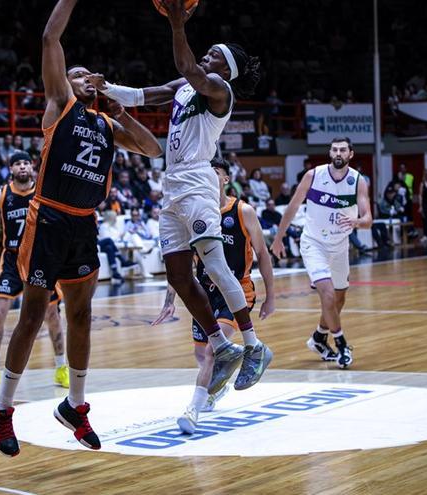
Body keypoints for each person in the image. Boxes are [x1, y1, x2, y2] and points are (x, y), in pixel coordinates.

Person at [0, 0, 162, 458]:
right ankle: (3, 408)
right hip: (46, 218)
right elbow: (50, 38)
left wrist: (119, 106)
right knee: (33, 314)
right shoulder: (59, 105)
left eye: (91, 77)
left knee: (81, 316)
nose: (87, 79)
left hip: (83, 223)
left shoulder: (107, 124)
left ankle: (75, 404)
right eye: (80, 74)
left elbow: (153, 149)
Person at [89, 0, 271, 394]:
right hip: (171, 185)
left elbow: (188, 67)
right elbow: (148, 94)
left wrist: (176, 26)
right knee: (178, 275)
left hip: (198, 183)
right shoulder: (187, 88)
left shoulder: (219, 91)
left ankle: (254, 346)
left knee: (217, 269)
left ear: (226, 70)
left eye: (215, 55)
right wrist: (105, 88)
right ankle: (222, 346)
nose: (207, 55)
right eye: (208, 51)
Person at [153, 158, 276, 434]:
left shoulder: (243, 211)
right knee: (201, 354)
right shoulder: (193, 214)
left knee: (211, 351)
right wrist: (170, 300)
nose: (208, 177)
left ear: (225, 180)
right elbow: (181, 266)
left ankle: (192, 410)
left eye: (215, 173)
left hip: (237, 289)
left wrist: (271, 296)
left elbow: (263, 255)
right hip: (206, 292)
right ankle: (216, 386)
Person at [272, 137, 373, 369]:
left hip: (340, 246)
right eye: (335, 149)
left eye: (343, 150)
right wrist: (278, 239)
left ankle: (319, 338)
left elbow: (368, 219)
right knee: (327, 295)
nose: (338, 153)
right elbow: (292, 207)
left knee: (339, 299)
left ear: (350, 154)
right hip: (313, 243)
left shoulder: (358, 181)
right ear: (330, 152)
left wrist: (356, 221)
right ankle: (342, 345)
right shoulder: (313, 175)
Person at [0, 152, 69, 396]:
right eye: (18, 163)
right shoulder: (0, 195)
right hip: (10, 259)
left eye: (26, 163)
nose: (22, 167)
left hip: (38, 258)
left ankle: (61, 366)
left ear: (32, 168)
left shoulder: (42, 192)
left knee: (52, 314)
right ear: (11, 169)